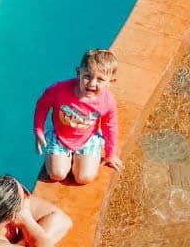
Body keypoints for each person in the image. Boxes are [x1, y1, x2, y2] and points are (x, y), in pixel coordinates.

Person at [34, 49, 123, 185]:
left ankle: (78, 158)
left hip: (88, 138)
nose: (92, 83)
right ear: (78, 73)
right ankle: (66, 159)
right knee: (56, 175)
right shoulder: (58, 90)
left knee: (84, 178)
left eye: (100, 79)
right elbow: (42, 105)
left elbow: (110, 127)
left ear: (110, 82)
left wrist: (110, 153)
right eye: (87, 76)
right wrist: (39, 130)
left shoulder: (107, 101)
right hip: (60, 137)